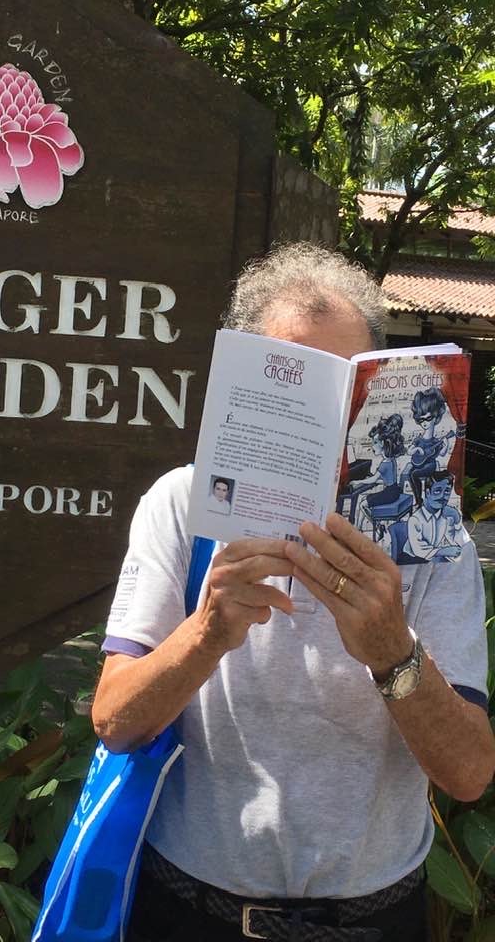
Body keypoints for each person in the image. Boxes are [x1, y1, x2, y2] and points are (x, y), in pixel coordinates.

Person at [92, 244, 494, 942]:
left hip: (373, 921)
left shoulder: (435, 539)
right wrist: (208, 632)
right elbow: (114, 721)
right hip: (189, 913)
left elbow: (468, 774)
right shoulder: (183, 507)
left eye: (345, 393)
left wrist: (392, 653)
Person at [404, 471, 464, 563]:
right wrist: (443, 551)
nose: (442, 496)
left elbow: (455, 540)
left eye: (447, 491)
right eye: (437, 491)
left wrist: (456, 518)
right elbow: (418, 549)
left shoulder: (447, 515)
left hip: (435, 556)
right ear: (428, 493)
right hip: (412, 559)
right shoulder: (415, 519)